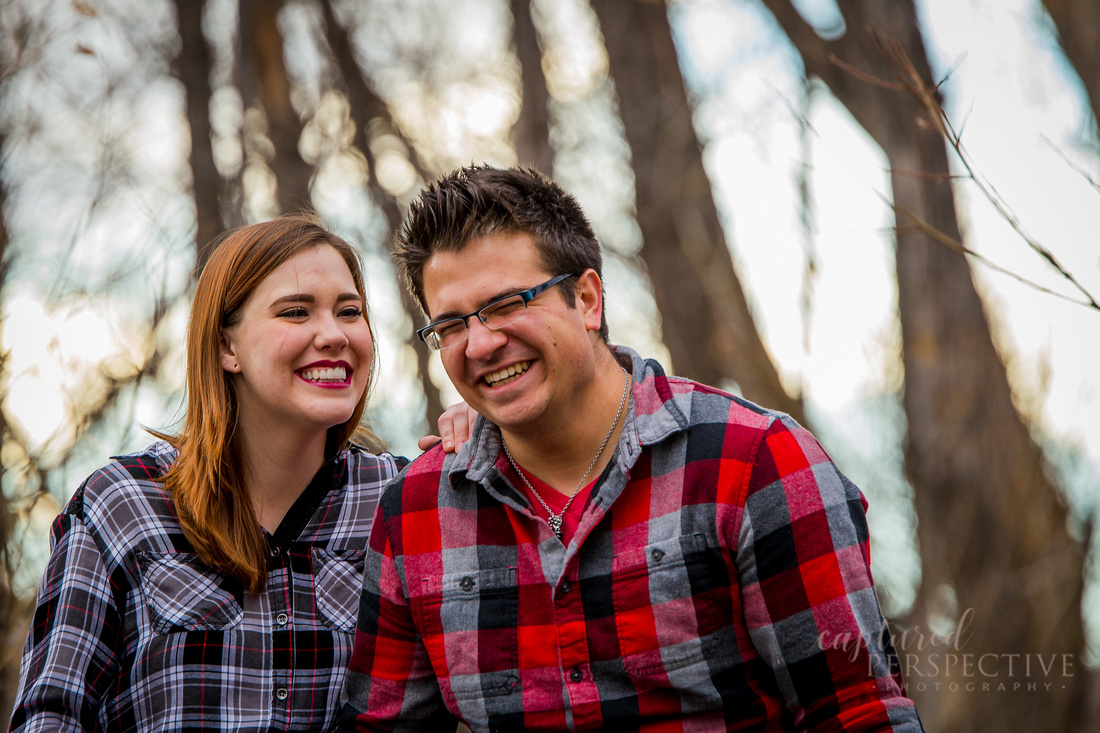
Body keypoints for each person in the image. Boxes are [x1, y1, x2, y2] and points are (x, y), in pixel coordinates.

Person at [337, 165, 924, 732]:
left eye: (507, 304)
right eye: (453, 325)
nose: (482, 342)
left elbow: (856, 713)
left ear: (588, 300)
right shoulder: (416, 511)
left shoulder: (754, 462)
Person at [9, 215, 474, 732]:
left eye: (350, 312)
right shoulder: (123, 506)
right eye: (295, 312)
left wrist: (495, 444)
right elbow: (52, 716)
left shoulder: (404, 501)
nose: (333, 334)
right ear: (228, 347)